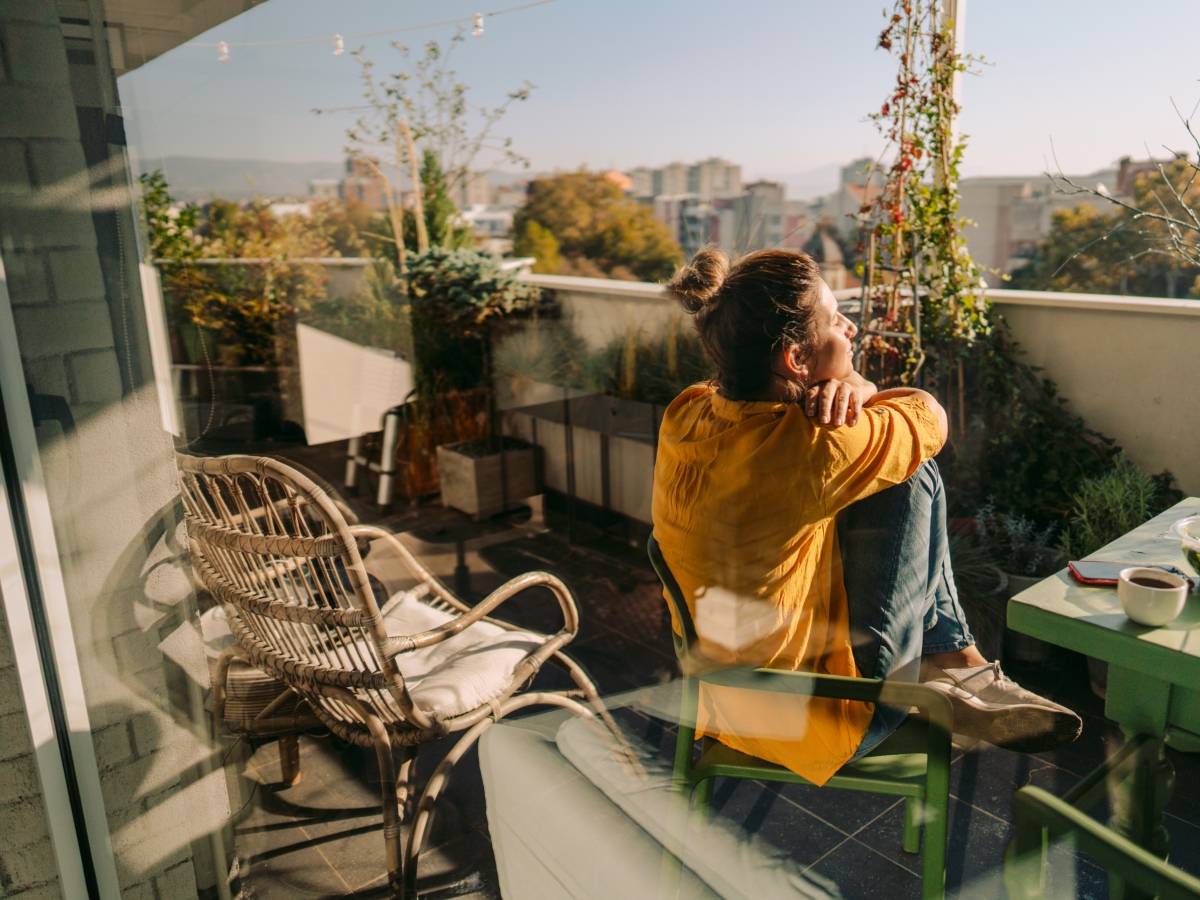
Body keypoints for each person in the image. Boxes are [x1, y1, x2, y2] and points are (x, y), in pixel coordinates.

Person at [651, 247, 1081, 786]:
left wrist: (851, 387)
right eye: (835, 320)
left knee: (877, 475)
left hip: (719, 701)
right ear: (795, 360)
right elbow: (931, 419)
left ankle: (955, 667)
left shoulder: (686, 411)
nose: (850, 327)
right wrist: (859, 389)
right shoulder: (816, 447)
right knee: (912, 473)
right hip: (819, 715)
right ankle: (954, 666)